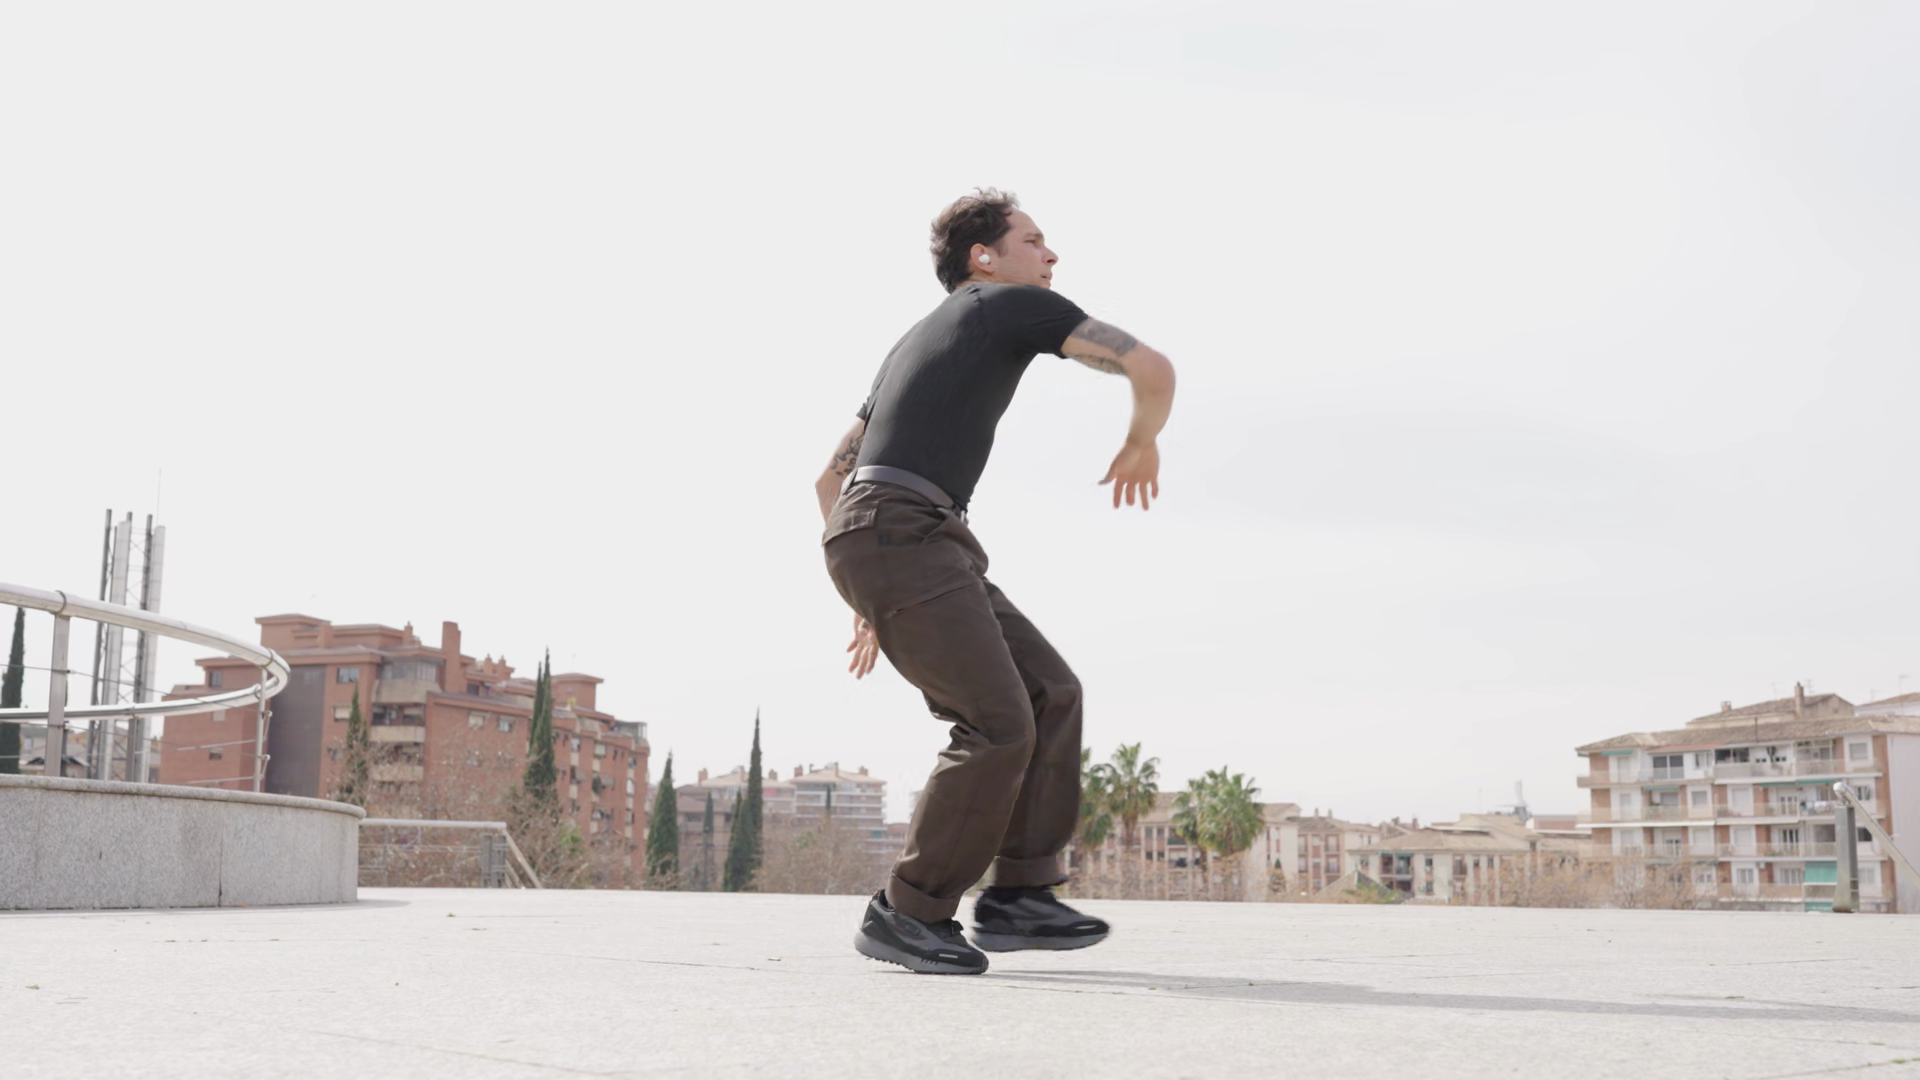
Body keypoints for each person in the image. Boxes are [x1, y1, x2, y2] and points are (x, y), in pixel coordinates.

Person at [812, 189, 1176, 974]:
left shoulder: (918, 339)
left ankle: (1020, 897)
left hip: (901, 536)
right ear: (985, 257)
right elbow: (1151, 367)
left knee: (1051, 693)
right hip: (903, 533)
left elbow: (828, 481)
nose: (1051, 255)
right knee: (995, 722)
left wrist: (865, 587)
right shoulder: (1009, 304)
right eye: (1034, 240)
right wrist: (1143, 440)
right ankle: (907, 912)